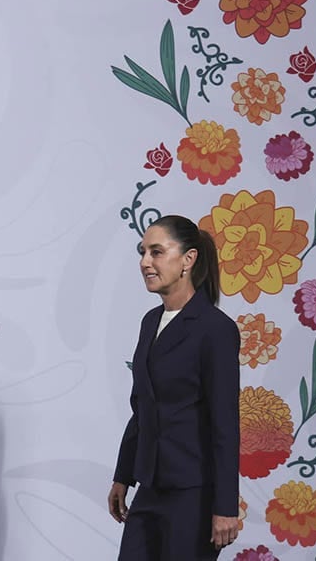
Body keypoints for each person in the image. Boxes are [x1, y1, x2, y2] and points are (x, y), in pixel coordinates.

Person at [107, 215, 241, 560]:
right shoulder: (150, 321)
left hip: (193, 496)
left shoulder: (215, 329)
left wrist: (226, 507)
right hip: (150, 488)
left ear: (188, 259)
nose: (145, 262)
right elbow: (143, 407)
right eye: (142, 252)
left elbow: (225, 423)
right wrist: (123, 475)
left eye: (156, 252)